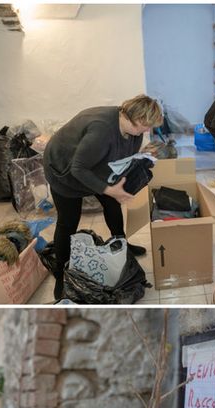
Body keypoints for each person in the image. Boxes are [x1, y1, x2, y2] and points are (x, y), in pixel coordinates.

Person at [41, 95, 163, 300]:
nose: (147, 131)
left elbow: (123, 158)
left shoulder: (134, 132)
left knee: (112, 204)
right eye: (146, 125)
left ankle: (121, 244)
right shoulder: (102, 130)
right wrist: (108, 189)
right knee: (68, 222)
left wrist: (141, 161)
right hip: (64, 169)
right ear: (135, 117)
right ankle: (62, 275)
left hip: (94, 165)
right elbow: (78, 168)